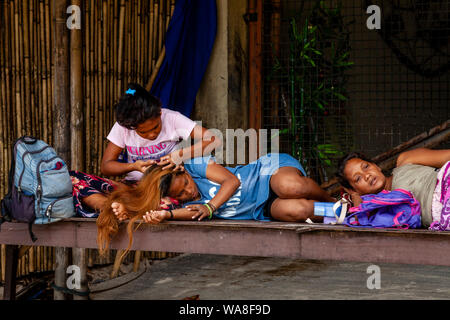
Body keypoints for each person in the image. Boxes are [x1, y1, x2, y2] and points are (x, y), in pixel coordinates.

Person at [96, 153, 336, 255]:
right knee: (299, 209)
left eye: (186, 184)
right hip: (263, 208)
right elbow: (173, 212)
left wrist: (210, 207)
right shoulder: (181, 204)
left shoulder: (196, 165)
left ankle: (334, 201)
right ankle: (335, 214)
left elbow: (231, 181)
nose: (190, 192)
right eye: (181, 195)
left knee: (290, 188)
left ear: (183, 170)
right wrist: (162, 215)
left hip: (267, 173)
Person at [71, 83, 220, 218]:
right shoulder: (122, 128)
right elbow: (106, 166)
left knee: (167, 206)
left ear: (160, 113)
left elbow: (213, 140)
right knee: (74, 180)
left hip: (164, 191)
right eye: (143, 132)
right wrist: (133, 166)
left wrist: (178, 155)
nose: (152, 135)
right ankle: (112, 209)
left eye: (155, 127)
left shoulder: (172, 119)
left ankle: (123, 210)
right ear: (131, 127)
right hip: (134, 188)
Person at [335, 147, 450, 228]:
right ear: (353, 189)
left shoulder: (405, 160)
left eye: (366, 167)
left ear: (376, 166)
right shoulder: (382, 215)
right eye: (358, 179)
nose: (367, 175)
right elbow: (360, 227)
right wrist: (355, 195)